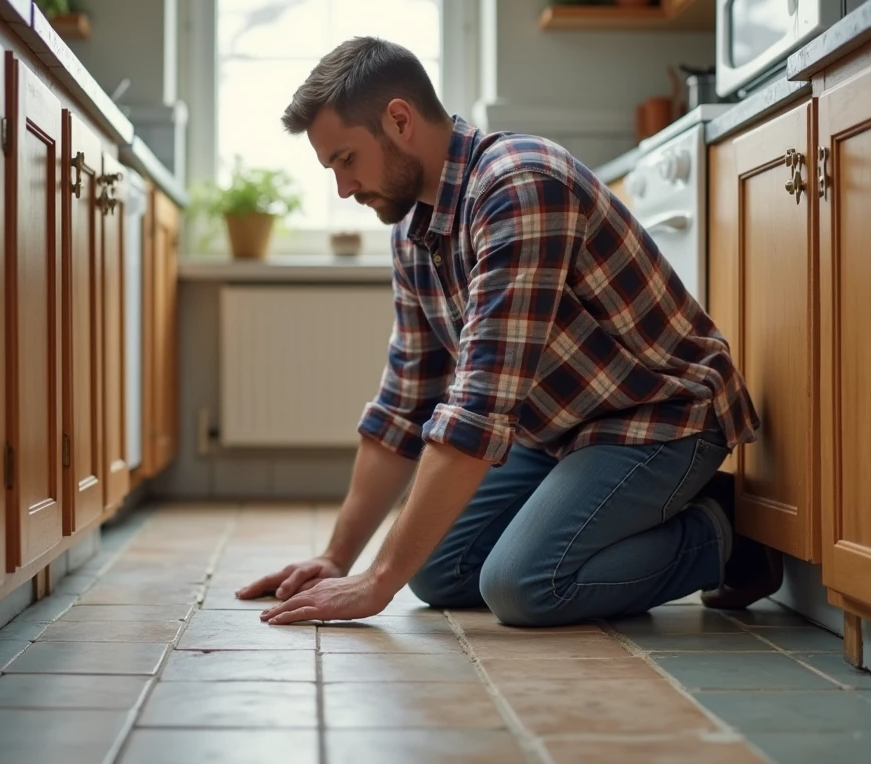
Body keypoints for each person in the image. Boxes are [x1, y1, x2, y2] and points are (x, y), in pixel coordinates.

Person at [237, 36, 775, 628]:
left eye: (345, 160)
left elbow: (477, 410)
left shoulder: (519, 185)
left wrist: (376, 583)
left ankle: (725, 533)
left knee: (521, 586)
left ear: (398, 120)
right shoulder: (413, 232)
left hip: (662, 418)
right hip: (558, 432)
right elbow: (404, 403)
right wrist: (339, 559)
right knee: (436, 571)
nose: (343, 188)